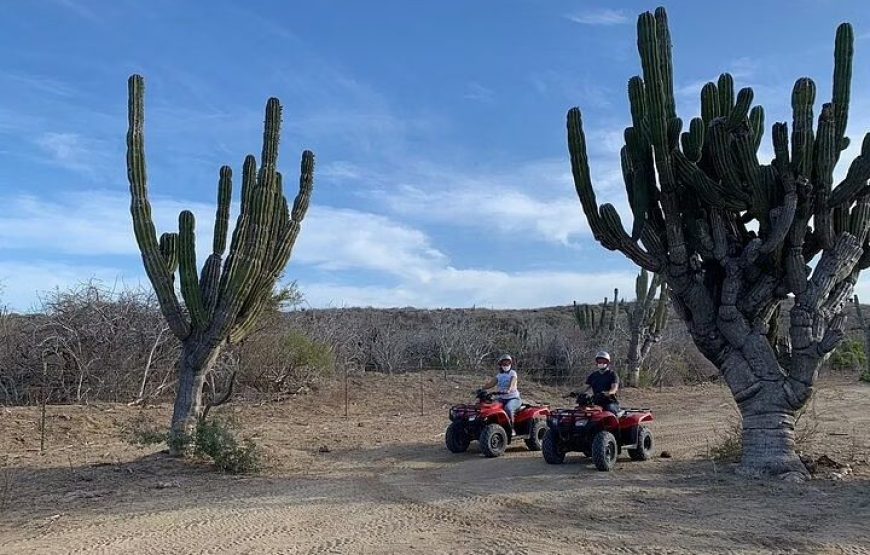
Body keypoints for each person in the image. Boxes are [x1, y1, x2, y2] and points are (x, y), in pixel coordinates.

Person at [481, 353, 521, 426]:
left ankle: (512, 428)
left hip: (513, 398)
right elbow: (491, 384)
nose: (506, 365)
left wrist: (509, 389)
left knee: (508, 408)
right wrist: (481, 388)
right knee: (490, 407)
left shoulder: (513, 373)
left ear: (510, 363)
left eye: (507, 362)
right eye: (504, 363)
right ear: (500, 364)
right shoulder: (499, 375)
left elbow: (513, 382)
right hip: (501, 398)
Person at [581, 351, 621, 416]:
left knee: (610, 409)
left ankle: (616, 425)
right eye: (599, 361)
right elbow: (585, 387)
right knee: (583, 410)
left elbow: (614, 388)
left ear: (608, 363)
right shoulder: (593, 375)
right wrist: (574, 392)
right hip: (596, 401)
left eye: (604, 362)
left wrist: (608, 393)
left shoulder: (612, 374)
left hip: (610, 402)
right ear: (596, 363)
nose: (601, 363)